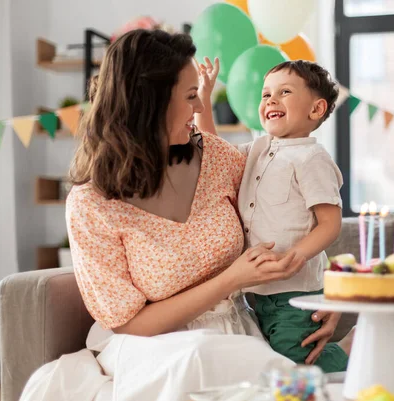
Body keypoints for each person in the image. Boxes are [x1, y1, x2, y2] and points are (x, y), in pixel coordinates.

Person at [19, 29, 309, 401]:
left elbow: (293, 210)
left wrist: (320, 298)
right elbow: (130, 324)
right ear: (149, 103)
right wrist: (231, 279)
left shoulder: (217, 159)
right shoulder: (92, 205)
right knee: (199, 356)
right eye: (191, 97)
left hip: (234, 337)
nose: (202, 108)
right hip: (150, 348)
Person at [195, 59, 353, 373]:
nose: (271, 100)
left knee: (296, 359)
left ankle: (355, 358)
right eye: (266, 94)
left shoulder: (311, 158)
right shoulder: (256, 149)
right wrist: (204, 96)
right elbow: (210, 148)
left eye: (284, 92)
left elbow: (330, 223)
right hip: (258, 289)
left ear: (316, 109)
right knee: (273, 356)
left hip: (296, 290)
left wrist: (298, 254)